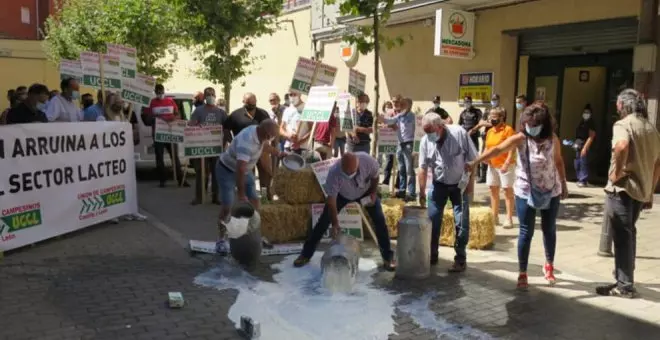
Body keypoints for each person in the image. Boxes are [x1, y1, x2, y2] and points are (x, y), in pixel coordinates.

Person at [466, 101, 568, 290]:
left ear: (544, 125)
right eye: (527, 124)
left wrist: (564, 184)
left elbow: (559, 162)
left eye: (534, 125)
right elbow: (497, 149)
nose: (531, 128)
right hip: (525, 190)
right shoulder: (521, 138)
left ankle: (549, 265)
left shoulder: (553, 140)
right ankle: (522, 272)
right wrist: (475, 162)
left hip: (551, 190)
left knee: (549, 229)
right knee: (525, 232)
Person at [595, 89, 660, 298]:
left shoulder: (623, 125)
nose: (617, 109)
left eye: (618, 106)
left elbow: (621, 146)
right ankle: (623, 279)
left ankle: (624, 285)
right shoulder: (651, 129)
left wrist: (616, 173)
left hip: (623, 188)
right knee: (628, 232)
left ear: (623, 106)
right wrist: (650, 191)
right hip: (640, 190)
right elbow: (657, 163)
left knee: (622, 235)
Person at [293, 152, 395, 271]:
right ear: (341, 166)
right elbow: (331, 201)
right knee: (323, 221)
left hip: (365, 192)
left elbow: (375, 177)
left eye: (352, 172)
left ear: (358, 164)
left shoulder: (369, 162)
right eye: (346, 173)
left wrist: (372, 193)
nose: (349, 175)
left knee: (379, 220)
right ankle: (305, 254)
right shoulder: (334, 172)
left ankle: (388, 258)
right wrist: (335, 223)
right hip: (343, 195)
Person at [418, 112, 477, 272]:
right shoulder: (425, 141)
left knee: (461, 223)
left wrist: (471, 186)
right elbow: (422, 168)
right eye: (426, 132)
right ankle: (432, 254)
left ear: (441, 126)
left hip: (460, 186)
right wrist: (422, 192)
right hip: (439, 185)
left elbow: (473, 160)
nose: (429, 135)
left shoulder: (459, 133)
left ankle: (460, 259)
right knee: (432, 221)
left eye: (431, 131)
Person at [215, 120, 285, 253]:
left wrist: (278, 153)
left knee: (255, 203)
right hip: (227, 170)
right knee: (227, 206)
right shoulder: (246, 141)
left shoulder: (259, 132)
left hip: (245, 170)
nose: (273, 138)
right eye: (272, 136)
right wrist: (241, 195)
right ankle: (221, 240)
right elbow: (239, 169)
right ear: (266, 133)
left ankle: (255, 236)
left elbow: (264, 147)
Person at [224, 93, 272, 197]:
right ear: (243, 102)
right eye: (249, 103)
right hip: (244, 152)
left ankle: (266, 196)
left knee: (265, 173)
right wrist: (231, 141)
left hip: (261, 150)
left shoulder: (263, 113)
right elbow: (226, 128)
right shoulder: (236, 115)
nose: (251, 106)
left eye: (253, 103)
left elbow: (270, 128)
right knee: (248, 176)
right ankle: (249, 197)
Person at [188, 87, 227, 205]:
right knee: (201, 172)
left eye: (212, 94)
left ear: (215, 96)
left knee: (216, 172)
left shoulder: (220, 112)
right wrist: (196, 127)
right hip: (202, 147)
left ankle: (216, 197)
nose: (210, 96)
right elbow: (191, 125)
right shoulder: (198, 111)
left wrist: (225, 143)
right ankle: (199, 197)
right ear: (204, 97)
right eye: (208, 94)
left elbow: (226, 128)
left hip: (216, 147)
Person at [146, 83, 189, 188]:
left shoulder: (170, 101)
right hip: (158, 134)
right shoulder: (152, 102)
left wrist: (173, 118)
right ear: (155, 92)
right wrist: (157, 117)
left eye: (162, 92)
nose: (160, 94)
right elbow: (148, 118)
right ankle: (162, 180)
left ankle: (181, 179)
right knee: (159, 157)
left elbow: (178, 115)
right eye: (158, 92)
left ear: (164, 91)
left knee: (175, 157)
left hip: (170, 133)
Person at [482, 107, 516, 228]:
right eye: (490, 116)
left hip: (505, 165)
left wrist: (507, 162)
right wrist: (483, 157)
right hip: (492, 165)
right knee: (493, 190)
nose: (491, 119)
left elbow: (512, 147)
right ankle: (494, 216)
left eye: (494, 116)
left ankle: (509, 218)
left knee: (507, 191)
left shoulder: (508, 130)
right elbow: (487, 147)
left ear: (502, 117)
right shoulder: (490, 131)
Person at [380, 96, 416, 201]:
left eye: (404, 104)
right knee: (401, 169)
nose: (401, 105)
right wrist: (380, 117)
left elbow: (418, 131)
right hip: (400, 144)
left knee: (409, 169)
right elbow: (389, 121)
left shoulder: (413, 116)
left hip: (409, 144)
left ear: (409, 105)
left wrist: (415, 148)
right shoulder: (400, 115)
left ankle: (412, 193)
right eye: (402, 104)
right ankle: (402, 191)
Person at [574, 104, 596, 187]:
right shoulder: (582, 122)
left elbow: (591, 136)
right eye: (585, 112)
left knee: (583, 162)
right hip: (578, 145)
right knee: (577, 163)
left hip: (584, 145)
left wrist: (585, 148)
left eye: (588, 112)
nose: (586, 114)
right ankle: (579, 178)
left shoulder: (591, 123)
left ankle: (583, 180)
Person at [268, 93, 287, 169]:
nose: (272, 102)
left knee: (284, 159)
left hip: (283, 138)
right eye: (270, 100)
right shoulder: (269, 111)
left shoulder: (285, 109)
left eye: (274, 100)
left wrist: (277, 112)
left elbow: (283, 123)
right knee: (274, 159)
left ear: (278, 100)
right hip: (274, 139)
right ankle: (274, 176)